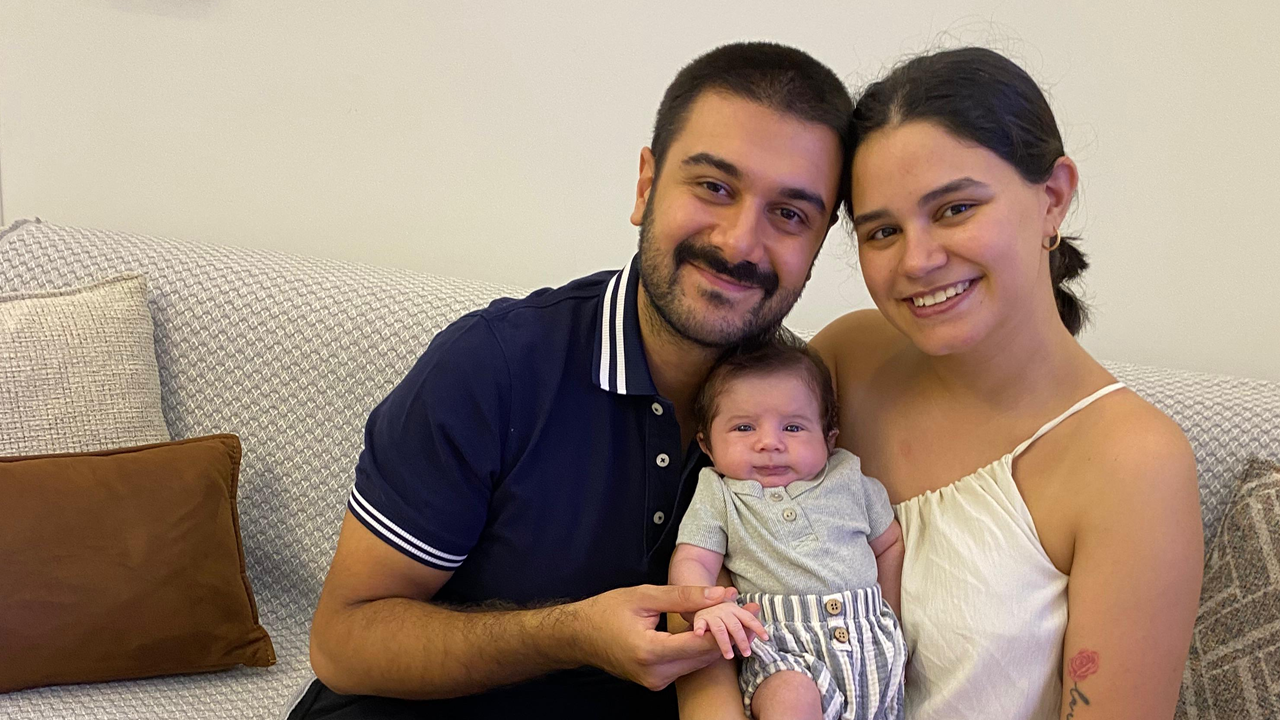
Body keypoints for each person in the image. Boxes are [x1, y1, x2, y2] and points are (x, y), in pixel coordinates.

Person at [291, 41, 855, 719]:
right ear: (646, 187)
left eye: (790, 214)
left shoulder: (805, 411)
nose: (739, 243)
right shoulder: (493, 365)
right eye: (713, 187)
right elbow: (343, 642)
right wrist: (572, 634)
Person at [677, 47, 1203, 720]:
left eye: (955, 209)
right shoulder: (844, 358)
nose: (918, 260)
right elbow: (718, 569)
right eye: (882, 230)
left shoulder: (1134, 463)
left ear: (1052, 197)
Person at [670, 330, 906, 720]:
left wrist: (889, 615)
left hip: (871, 647)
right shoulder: (719, 493)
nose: (770, 443)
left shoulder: (849, 477)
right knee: (789, 696)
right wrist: (704, 609)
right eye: (744, 428)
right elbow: (693, 558)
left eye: (793, 428)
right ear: (706, 445)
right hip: (780, 646)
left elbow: (889, 543)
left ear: (829, 440)